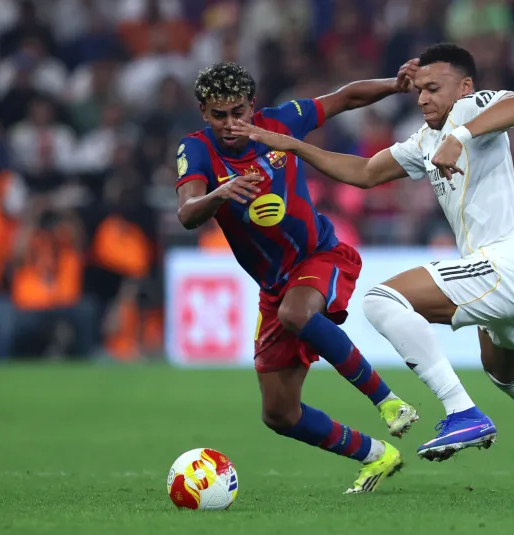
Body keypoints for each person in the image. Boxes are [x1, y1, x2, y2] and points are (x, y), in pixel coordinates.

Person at [233, 43, 514, 497]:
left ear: (465, 87)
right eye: (419, 91)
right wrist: (295, 146)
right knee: (507, 374)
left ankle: (462, 412)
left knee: (380, 300)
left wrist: (463, 136)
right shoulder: (425, 141)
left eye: (434, 88)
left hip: (508, 263)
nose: (423, 99)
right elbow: (363, 172)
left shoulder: (472, 110)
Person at [175, 62, 420, 494]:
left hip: (320, 256)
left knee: (296, 312)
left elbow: (344, 97)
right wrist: (219, 193)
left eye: (238, 112)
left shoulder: (279, 123)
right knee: (279, 414)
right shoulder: (196, 151)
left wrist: (394, 85)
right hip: (274, 287)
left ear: (252, 106)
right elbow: (187, 213)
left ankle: (389, 402)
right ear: (203, 113)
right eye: (219, 115)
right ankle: (375, 455)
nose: (231, 124)